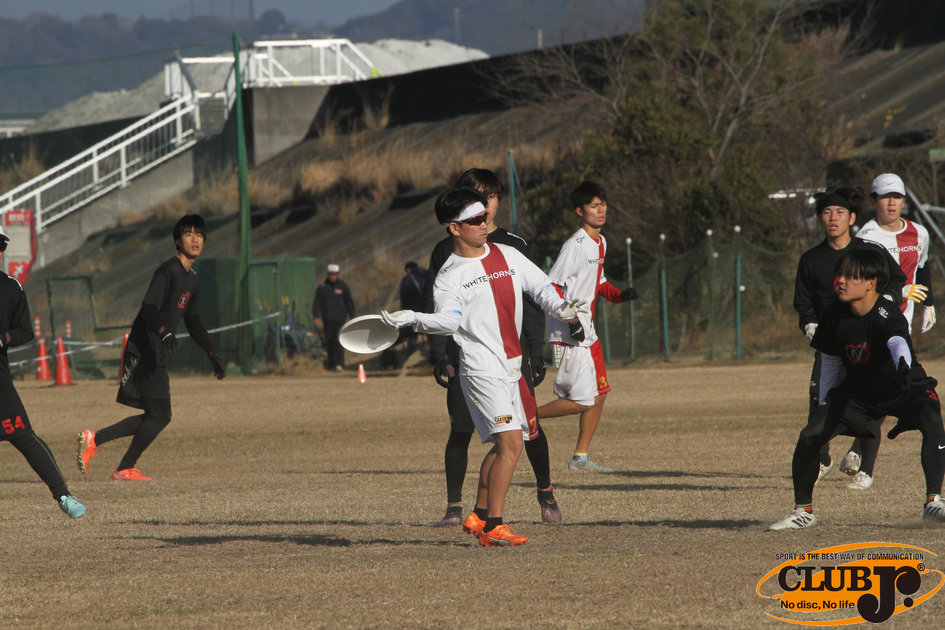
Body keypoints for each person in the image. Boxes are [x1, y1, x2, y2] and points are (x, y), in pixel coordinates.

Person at [383, 187, 585, 546]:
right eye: (475, 219)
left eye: (485, 215)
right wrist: (413, 318)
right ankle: (494, 527)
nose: (484, 223)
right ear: (454, 228)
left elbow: (542, 289)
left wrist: (564, 310)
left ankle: (478, 514)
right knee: (511, 445)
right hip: (480, 370)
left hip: (513, 367)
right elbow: (448, 321)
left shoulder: (508, 254)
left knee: (503, 444)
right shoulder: (450, 276)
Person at [423, 168, 561, 527]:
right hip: (473, 363)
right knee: (469, 433)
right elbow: (438, 311)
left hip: (514, 361)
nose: (483, 208)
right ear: (455, 224)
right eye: (475, 200)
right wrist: (439, 353)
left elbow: (536, 297)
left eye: (489, 198)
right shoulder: (447, 258)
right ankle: (470, 514)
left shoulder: (511, 247)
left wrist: (535, 349)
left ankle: (539, 494)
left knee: (522, 435)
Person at [771, 247, 945, 530]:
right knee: (810, 435)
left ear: (870, 283)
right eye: (840, 274)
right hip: (860, 392)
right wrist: (825, 403)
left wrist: (902, 363)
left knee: (931, 415)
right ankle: (803, 511)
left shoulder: (886, 311)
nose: (840, 280)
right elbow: (829, 361)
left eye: (850, 276)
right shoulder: (834, 314)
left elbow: (896, 342)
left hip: (902, 384)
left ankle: (933, 502)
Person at [76, 214, 226, 481]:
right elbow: (148, 308)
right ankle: (120, 464)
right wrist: (164, 332)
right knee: (161, 415)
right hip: (146, 350)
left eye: (199, 234)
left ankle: (97, 441)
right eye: (188, 234)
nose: (195, 239)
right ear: (177, 241)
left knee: (156, 415)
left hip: (158, 352)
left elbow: (193, 321)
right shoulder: (168, 270)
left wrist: (212, 353)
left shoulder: (192, 278)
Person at [792, 187, 905, 491]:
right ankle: (821, 458)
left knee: (869, 399)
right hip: (831, 341)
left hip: (866, 338)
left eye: (840, 213)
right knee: (820, 399)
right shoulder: (811, 259)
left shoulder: (868, 251)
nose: (833, 218)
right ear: (820, 219)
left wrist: (886, 303)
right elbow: (803, 302)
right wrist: (810, 325)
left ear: (852, 218)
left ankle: (865, 469)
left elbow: (896, 280)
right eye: (827, 213)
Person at [837, 173, 936, 484]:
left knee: (888, 385)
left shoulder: (919, 233)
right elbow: (864, 280)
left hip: (900, 325)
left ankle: (861, 460)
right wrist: (900, 291)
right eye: (885, 197)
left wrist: (929, 304)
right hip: (871, 323)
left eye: (897, 197)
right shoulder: (866, 236)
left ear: (904, 200)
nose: (892, 203)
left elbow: (923, 267)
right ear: (873, 201)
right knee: (877, 388)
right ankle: (853, 453)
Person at [537, 180, 638, 472]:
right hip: (569, 333)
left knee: (600, 393)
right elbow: (552, 286)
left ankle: (580, 458)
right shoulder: (575, 246)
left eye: (603, 204)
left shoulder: (600, 242)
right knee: (581, 401)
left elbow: (599, 281)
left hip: (587, 332)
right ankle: (522, 418)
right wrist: (570, 321)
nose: (601, 210)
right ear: (579, 211)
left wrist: (619, 296)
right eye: (594, 206)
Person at [0, 226, 86, 518]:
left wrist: (4, 338)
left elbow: (25, 331)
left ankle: (63, 495)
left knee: (23, 435)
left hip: (0, 383)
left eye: (1, 246)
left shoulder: (11, 288)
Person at [312, 263, 355, 372]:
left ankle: (340, 364)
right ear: (328, 274)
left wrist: (352, 315)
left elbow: (349, 302)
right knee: (329, 341)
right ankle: (331, 364)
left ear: (338, 274)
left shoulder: (343, 286)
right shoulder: (322, 288)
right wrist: (316, 316)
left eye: (334, 274)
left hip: (340, 318)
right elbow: (317, 303)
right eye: (331, 274)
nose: (332, 276)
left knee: (338, 341)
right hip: (328, 318)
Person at [397, 261, 427, 362]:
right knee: (433, 335)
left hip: (414, 312)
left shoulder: (407, 279)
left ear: (408, 269)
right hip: (429, 310)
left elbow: (404, 297)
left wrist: (404, 312)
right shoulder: (428, 274)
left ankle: (409, 359)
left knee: (412, 336)